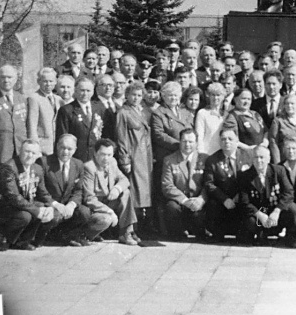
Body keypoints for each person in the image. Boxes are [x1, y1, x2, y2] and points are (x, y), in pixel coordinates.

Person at [0, 139, 59, 251]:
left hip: (20, 208)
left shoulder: (37, 168)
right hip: (0, 210)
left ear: (38, 155)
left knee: (48, 211)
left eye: (33, 153)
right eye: (27, 151)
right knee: (26, 215)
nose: (30, 156)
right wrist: (37, 211)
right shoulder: (7, 168)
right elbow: (14, 197)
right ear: (19, 151)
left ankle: (22, 241)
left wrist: (52, 207)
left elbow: (43, 193)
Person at [41, 134, 114, 246]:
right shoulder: (44, 162)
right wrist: (56, 205)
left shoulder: (78, 164)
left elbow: (78, 191)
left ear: (75, 150)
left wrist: (71, 204)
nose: (65, 152)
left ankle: (68, 235)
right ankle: (48, 236)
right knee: (55, 217)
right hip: (51, 205)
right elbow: (41, 190)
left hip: (67, 206)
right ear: (57, 147)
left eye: (69, 149)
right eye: (62, 147)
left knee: (84, 213)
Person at [237, 146, 296, 247]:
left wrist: (277, 211)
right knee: (249, 220)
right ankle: (260, 235)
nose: (259, 160)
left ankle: (291, 237)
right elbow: (244, 201)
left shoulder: (279, 171)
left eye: (262, 157)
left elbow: (289, 192)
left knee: (292, 208)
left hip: (276, 214)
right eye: (256, 157)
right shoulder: (245, 176)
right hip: (259, 215)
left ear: (269, 159)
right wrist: (259, 215)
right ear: (252, 159)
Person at [82, 139, 139, 244]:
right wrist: (109, 211)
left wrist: (117, 189)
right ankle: (89, 234)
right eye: (103, 154)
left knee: (125, 192)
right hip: (95, 208)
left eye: (109, 154)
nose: (106, 158)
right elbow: (89, 199)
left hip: (108, 200)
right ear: (95, 153)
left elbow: (124, 179)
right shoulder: (89, 167)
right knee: (106, 219)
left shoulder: (112, 162)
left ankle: (125, 233)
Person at [203, 126, 254, 241]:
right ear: (219, 142)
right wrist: (224, 199)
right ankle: (217, 233)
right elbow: (209, 184)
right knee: (213, 204)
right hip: (222, 201)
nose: (227, 142)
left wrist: (240, 196)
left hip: (242, 200)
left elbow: (253, 179)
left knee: (245, 238)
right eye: (223, 139)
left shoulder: (248, 156)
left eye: (230, 139)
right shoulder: (212, 160)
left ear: (237, 140)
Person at [116, 81, 154, 233]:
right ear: (127, 95)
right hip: (133, 157)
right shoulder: (123, 112)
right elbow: (121, 137)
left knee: (142, 194)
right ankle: (128, 229)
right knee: (133, 193)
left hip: (145, 158)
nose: (136, 98)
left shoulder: (142, 112)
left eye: (139, 95)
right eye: (133, 95)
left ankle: (138, 229)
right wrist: (125, 160)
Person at [160, 129, 208, 241]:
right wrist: (185, 201)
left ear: (196, 143)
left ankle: (202, 231)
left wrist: (201, 199)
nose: (187, 145)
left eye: (191, 142)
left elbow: (209, 184)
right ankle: (178, 233)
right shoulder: (169, 160)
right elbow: (167, 186)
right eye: (184, 141)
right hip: (181, 202)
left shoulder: (205, 159)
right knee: (171, 207)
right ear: (179, 142)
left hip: (198, 202)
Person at [55, 78, 105, 163]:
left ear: (93, 91)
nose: (85, 94)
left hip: (96, 157)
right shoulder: (67, 110)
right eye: (82, 90)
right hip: (76, 158)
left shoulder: (100, 108)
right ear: (75, 91)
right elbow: (62, 137)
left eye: (88, 90)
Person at [0, 64, 27, 165]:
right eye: (3, 77)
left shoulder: (21, 98)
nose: (6, 80)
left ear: (16, 79)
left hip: (20, 149)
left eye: (9, 77)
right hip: (0, 151)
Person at [26, 67, 61, 158]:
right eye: (45, 81)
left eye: (51, 81)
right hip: (42, 148)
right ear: (39, 81)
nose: (48, 84)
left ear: (55, 81)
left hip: (56, 147)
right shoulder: (34, 98)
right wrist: (35, 148)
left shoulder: (59, 99)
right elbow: (32, 125)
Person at [195, 82, 227, 155]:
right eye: (213, 95)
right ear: (208, 96)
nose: (215, 98)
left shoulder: (226, 114)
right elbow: (199, 135)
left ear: (223, 97)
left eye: (218, 95)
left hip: (223, 153)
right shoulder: (202, 113)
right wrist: (201, 153)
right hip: (208, 153)